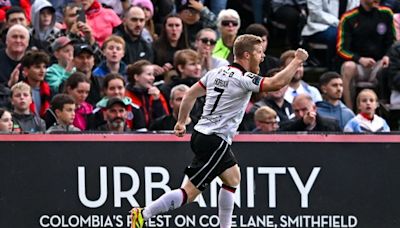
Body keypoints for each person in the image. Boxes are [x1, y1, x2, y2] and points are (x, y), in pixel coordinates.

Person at [130, 34, 309, 228]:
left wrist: (181, 122)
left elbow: (190, 94)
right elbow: (276, 83)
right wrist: (297, 60)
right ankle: (143, 214)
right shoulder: (243, 78)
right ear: (247, 55)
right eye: (259, 52)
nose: (263, 56)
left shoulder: (216, 72)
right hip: (215, 140)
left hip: (204, 135)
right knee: (189, 193)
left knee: (233, 178)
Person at [337, 0, 396, 110]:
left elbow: (393, 42)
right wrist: (359, 59)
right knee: (347, 67)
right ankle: (349, 111)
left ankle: (385, 111)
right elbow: (341, 49)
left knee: (388, 65)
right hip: (358, 65)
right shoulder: (348, 17)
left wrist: (387, 56)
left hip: (379, 63)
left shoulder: (386, 13)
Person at [301, 0, 359, 69]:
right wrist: (341, 23)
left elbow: (356, 9)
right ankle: (333, 69)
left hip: (346, 25)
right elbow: (315, 13)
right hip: (320, 26)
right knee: (337, 35)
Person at [125, 60, 170, 128]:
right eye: (149, 74)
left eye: (153, 75)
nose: (153, 78)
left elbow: (164, 120)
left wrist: (157, 101)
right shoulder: (126, 95)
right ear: (136, 77)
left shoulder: (157, 95)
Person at [21, 50, 51, 118]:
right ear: (26, 70)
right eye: (37, 67)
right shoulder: (19, 91)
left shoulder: (49, 91)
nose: (42, 71)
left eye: (44, 67)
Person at [0, 24, 29, 88]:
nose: (18, 41)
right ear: (6, 41)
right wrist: (10, 84)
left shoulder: (33, 60)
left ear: (27, 43)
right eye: (14, 37)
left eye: (22, 37)